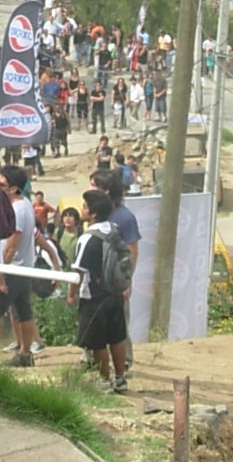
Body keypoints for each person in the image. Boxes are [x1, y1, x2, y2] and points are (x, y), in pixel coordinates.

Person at [67, 189, 128, 393]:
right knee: (117, 338)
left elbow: (79, 272)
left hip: (94, 297)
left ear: (92, 214)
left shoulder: (87, 238)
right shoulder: (115, 230)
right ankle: (121, 378)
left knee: (98, 341)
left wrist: (71, 294)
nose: (82, 210)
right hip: (116, 294)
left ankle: (104, 380)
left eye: (84, 207)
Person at [90, 168, 141, 373]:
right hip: (97, 281)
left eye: (94, 186)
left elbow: (132, 250)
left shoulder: (124, 217)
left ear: (107, 191)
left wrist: (126, 281)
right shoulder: (96, 215)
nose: (90, 189)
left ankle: (124, 361)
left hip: (116, 281)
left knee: (119, 323)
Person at [0, 166, 40, 368]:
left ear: (13, 188)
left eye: (1, 185)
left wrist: (0, 271)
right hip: (25, 267)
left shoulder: (17, 210)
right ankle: (25, 353)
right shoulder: (26, 205)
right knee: (23, 311)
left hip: (14, 269)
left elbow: (11, 246)